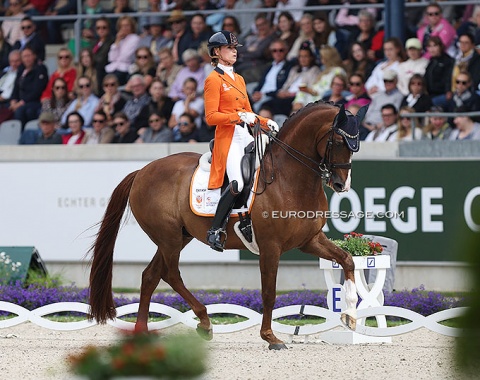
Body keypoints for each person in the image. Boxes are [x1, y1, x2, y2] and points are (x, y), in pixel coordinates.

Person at [204, 30, 278, 252]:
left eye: (235, 48)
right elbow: (211, 117)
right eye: (229, 48)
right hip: (228, 138)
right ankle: (215, 230)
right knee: (237, 182)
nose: (234, 52)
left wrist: (266, 122)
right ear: (217, 52)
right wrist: (237, 117)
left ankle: (248, 218)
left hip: (245, 134)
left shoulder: (240, 79)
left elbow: (248, 112)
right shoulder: (213, 79)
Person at [263, 40, 321, 116]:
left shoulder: (315, 70)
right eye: (300, 56)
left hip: (297, 98)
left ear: (311, 58)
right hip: (286, 96)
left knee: (272, 105)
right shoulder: (295, 70)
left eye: (305, 56)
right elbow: (286, 84)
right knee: (266, 104)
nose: (302, 59)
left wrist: (292, 94)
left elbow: (310, 89)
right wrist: (282, 92)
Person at [291, 45, 346, 111]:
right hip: (312, 97)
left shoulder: (338, 71)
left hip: (322, 100)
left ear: (328, 58)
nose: (320, 59)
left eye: (322, 57)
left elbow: (331, 90)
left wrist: (312, 92)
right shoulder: (324, 71)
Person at [250, 39, 295, 112]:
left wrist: (264, 94)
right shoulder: (268, 67)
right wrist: (255, 93)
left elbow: (283, 88)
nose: (278, 53)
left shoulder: (289, 67)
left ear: (286, 51)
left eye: (281, 50)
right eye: (274, 50)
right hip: (260, 97)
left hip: (272, 99)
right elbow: (260, 85)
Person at [9, 47, 48, 127]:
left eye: (29, 55)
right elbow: (16, 87)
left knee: (24, 111)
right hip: (21, 102)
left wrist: (21, 103)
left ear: (34, 56)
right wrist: (13, 100)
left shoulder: (40, 69)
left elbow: (37, 90)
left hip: (34, 101)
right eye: (24, 56)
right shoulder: (21, 70)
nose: (27, 59)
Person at [362, 70, 404, 139]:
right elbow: (368, 112)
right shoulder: (378, 96)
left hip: (380, 127)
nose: (387, 83)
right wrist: (365, 123)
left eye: (390, 81)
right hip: (367, 126)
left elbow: (393, 115)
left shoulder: (399, 96)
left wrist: (377, 126)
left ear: (396, 81)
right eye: (385, 81)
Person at [235, 14, 276, 84]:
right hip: (243, 61)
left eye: (263, 24)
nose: (261, 27)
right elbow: (239, 49)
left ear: (268, 24)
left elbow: (259, 53)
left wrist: (244, 53)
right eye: (258, 26)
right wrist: (249, 50)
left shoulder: (271, 38)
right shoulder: (253, 37)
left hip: (257, 64)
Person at [105, 15, 140, 85]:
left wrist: (117, 57)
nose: (124, 28)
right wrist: (117, 41)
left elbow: (126, 57)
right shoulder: (120, 39)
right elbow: (111, 58)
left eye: (127, 25)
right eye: (122, 26)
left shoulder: (135, 38)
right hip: (113, 67)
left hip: (125, 68)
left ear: (131, 26)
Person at [424, 36, 454, 103]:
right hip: (430, 94)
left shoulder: (448, 60)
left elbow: (448, 77)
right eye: (429, 46)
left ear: (440, 46)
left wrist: (448, 90)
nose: (432, 49)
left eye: (435, 46)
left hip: (442, 94)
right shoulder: (431, 61)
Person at [92, 17, 115, 91]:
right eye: (98, 28)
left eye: (104, 27)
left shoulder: (111, 41)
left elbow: (101, 58)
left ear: (108, 29)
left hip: (103, 69)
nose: (101, 30)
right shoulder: (95, 41)